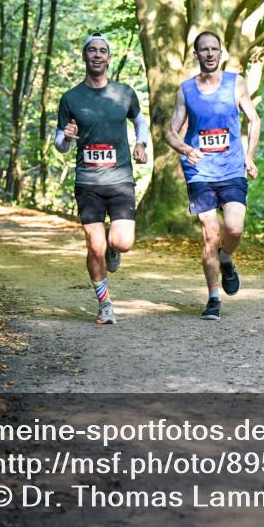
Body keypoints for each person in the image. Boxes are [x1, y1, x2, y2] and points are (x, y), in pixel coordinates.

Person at [164, 31, 261, 320]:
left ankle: (226, 258)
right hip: (200, 172)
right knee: (210, 233)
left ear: (221, 52)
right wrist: (185, 148)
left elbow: (254, 119)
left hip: (231, 169)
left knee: (234, 229)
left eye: (214, 49)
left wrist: (249, 156)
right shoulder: (186, 90)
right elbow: (170, 132)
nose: (209, 54)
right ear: (196, 54)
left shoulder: (235, 83)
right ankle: (213, 298)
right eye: (204, 49)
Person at [55, 33, 149, 324]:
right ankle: (104, 304)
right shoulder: (70, 98)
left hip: (120, 179)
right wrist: (66, 138)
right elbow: (60, 143)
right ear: (84, 56)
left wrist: (141, 143)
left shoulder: (124, 93)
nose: (97, 55)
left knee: (123, 242)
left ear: (109, 58)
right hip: (88, 182)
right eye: (92, 50)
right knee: (94, 246)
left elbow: (140, 120)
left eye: (102, 51)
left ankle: (114, 249)